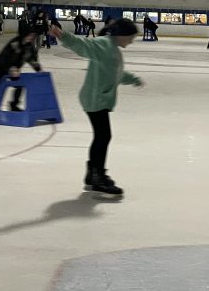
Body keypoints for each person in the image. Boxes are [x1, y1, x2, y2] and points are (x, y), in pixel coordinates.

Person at [49, 18, 143, 197]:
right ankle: (97, 176)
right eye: (130, 37)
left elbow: (115, 73)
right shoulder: (103, 45)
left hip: (98, 98)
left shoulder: (112, 48)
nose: (131, 41)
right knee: (103, 136)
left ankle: (94, 174)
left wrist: (132, 79)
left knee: (102, 136)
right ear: (121, 35)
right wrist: (62, 35)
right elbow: (82, 45)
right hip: (95, 99)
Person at [0, 24, 42, 120]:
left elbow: (32, 60)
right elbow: (4, 58)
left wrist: (39, 69)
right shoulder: (15, 43)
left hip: (14, 70)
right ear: (24, 34)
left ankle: (14, 105)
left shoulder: (29, 47)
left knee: (20, 85)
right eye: (30, 35)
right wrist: (10, 69)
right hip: (0, 68)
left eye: (33, 36)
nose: (32, 37)